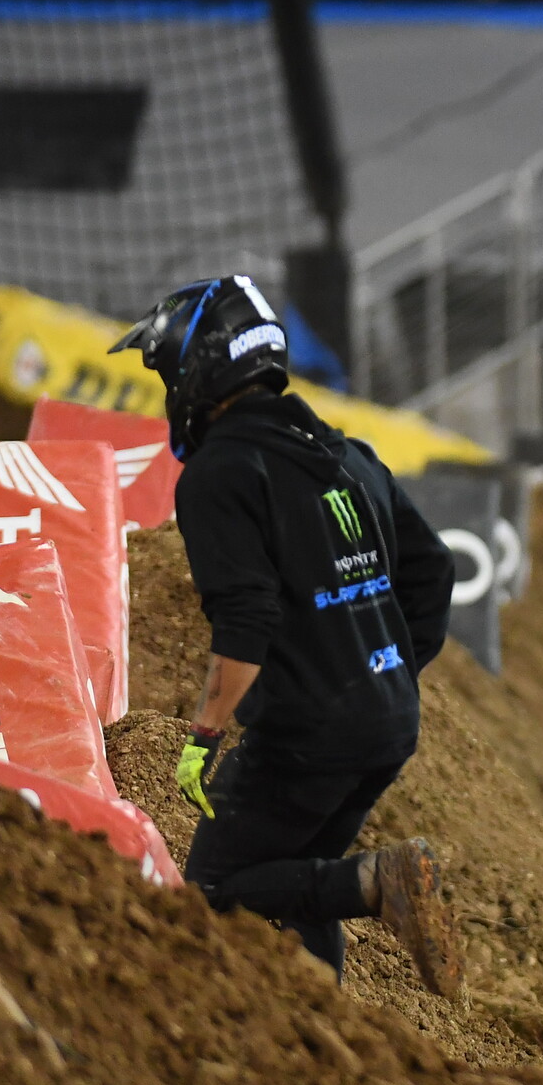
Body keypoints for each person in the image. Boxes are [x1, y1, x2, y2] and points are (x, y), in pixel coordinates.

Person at [110, 275, 462, 996]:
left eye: (167, 370)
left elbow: (246, 622)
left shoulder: (220, 474)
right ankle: (323, 1035)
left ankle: (376, 882)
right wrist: (385, 669)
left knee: (214, 887)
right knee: (297, 881)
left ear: (200, 367)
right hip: (390, 721)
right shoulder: (350, 455)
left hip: (308, 734)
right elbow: (434, 572)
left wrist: (203, 737)